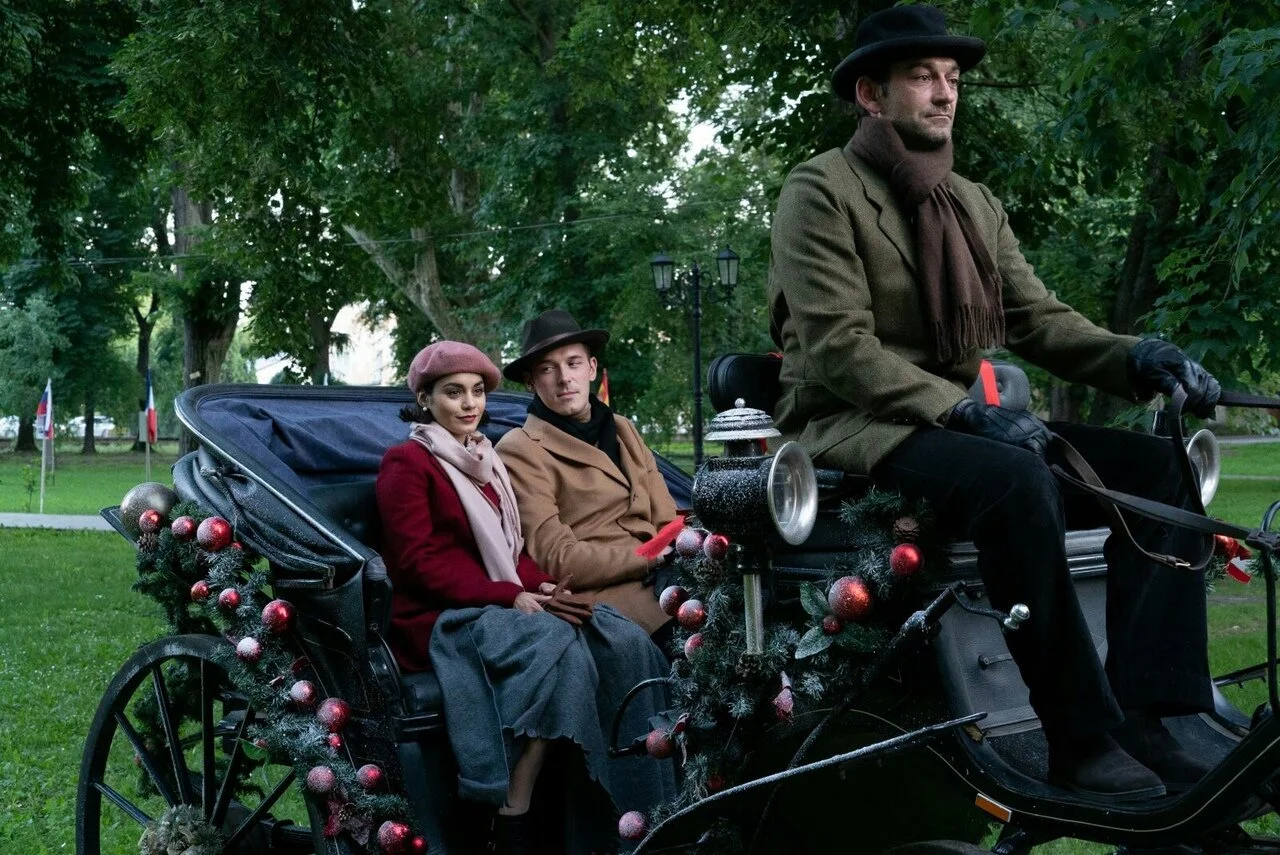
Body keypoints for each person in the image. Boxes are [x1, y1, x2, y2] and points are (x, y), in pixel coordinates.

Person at [768, 4, 1222, 801]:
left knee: (1159, 469)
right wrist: (961, 409)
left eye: (951, 79)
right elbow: (840, 346)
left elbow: (1039, 319)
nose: (945, 93)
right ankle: (1078, 736)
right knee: (1014, 478)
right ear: (872, 95)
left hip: (952, 422)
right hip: (856, 421)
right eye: (922, 77)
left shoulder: (971, 202)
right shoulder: (821, 191)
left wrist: (1137, 355)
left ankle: (1152, 715)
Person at [376, 340, 674, 853]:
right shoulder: (407, 463)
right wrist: (511, 595)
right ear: (425, 399)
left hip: (495, 602)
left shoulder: (484, 460)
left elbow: (513, 549)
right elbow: (415, 564)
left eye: (477, 392)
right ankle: (514, 809)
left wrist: (542, 585)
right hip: (440, 616)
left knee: (608, 634)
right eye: (453, 393)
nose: (469, 404)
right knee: (558, 643)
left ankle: (625, 805)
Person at [497, 310, 679, 650]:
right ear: (531, 382)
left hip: (669, 579)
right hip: (607, 598)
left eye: (573, 363)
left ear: (592, 368)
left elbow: (666, 518)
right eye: (547, 369)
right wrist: (651, 558)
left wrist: (678, 556)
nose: (564, 378)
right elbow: (558, 558)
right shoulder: (520, 449)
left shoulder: (623, 428)